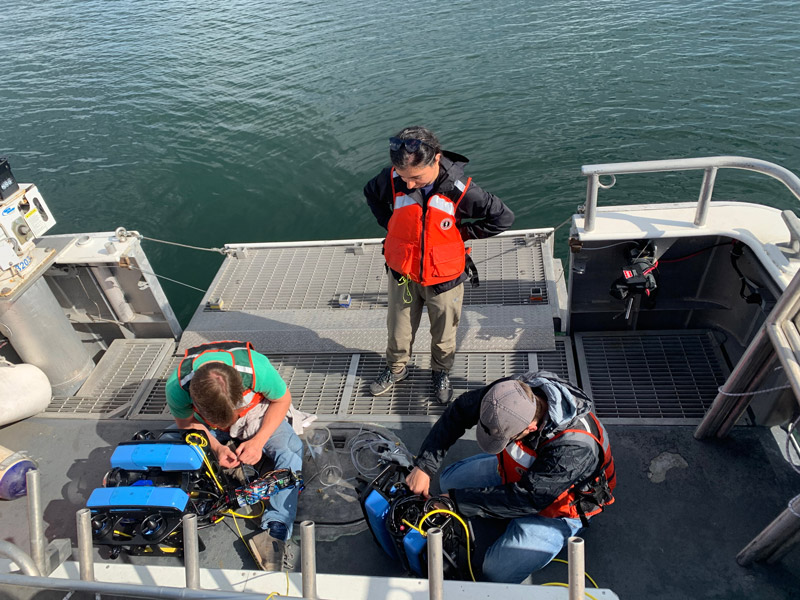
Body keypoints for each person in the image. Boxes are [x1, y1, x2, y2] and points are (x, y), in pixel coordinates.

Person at [404, 371, 616, 583]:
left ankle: (552, 536)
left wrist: (457, 502)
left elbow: (528, 499)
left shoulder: (574, 447)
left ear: (531, 427)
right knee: (449, 480)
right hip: (516, 475)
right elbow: (460, 410)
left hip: (557, 509)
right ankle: (498, 509)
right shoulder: (507, 395)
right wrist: (424, 466)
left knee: (496, 572)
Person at [364, 126, 514, 404]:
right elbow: (371, 193)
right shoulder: (392, 178)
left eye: (416, 178)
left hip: (445, 279)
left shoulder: (462, 191)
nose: (408, 184)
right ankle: (396, 369)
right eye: (404, 178)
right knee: (397, 331)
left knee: (444, 334)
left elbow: (502, 218)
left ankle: (440, 372)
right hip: (403, 274)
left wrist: (461, 234)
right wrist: (391, 224)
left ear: (436, 159)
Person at [164, 340, 303, 572]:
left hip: (255, 414)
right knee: (165, 445)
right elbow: (187, 423)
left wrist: (258, 441)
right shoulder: (176, 388)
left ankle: (276, 526)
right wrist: (217, 447)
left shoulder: (257, 370)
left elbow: (282, 400)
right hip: (205, 426)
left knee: (292, 452)